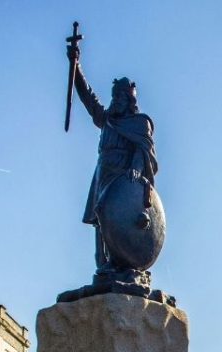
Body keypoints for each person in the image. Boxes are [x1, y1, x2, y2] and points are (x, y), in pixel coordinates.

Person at [66, 41, 159, 278]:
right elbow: (88, 97)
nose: (115, 100)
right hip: (103, 173)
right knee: (100, 218)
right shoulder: (108, 119)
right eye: (114, 96)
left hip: (123, 177)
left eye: (120, 96)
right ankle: (103, 264)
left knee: (118, 218)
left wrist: (136, 168)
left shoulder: (140, 123)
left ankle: (123, 262)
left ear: (129, 99)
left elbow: (143, 150)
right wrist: (76, 65)